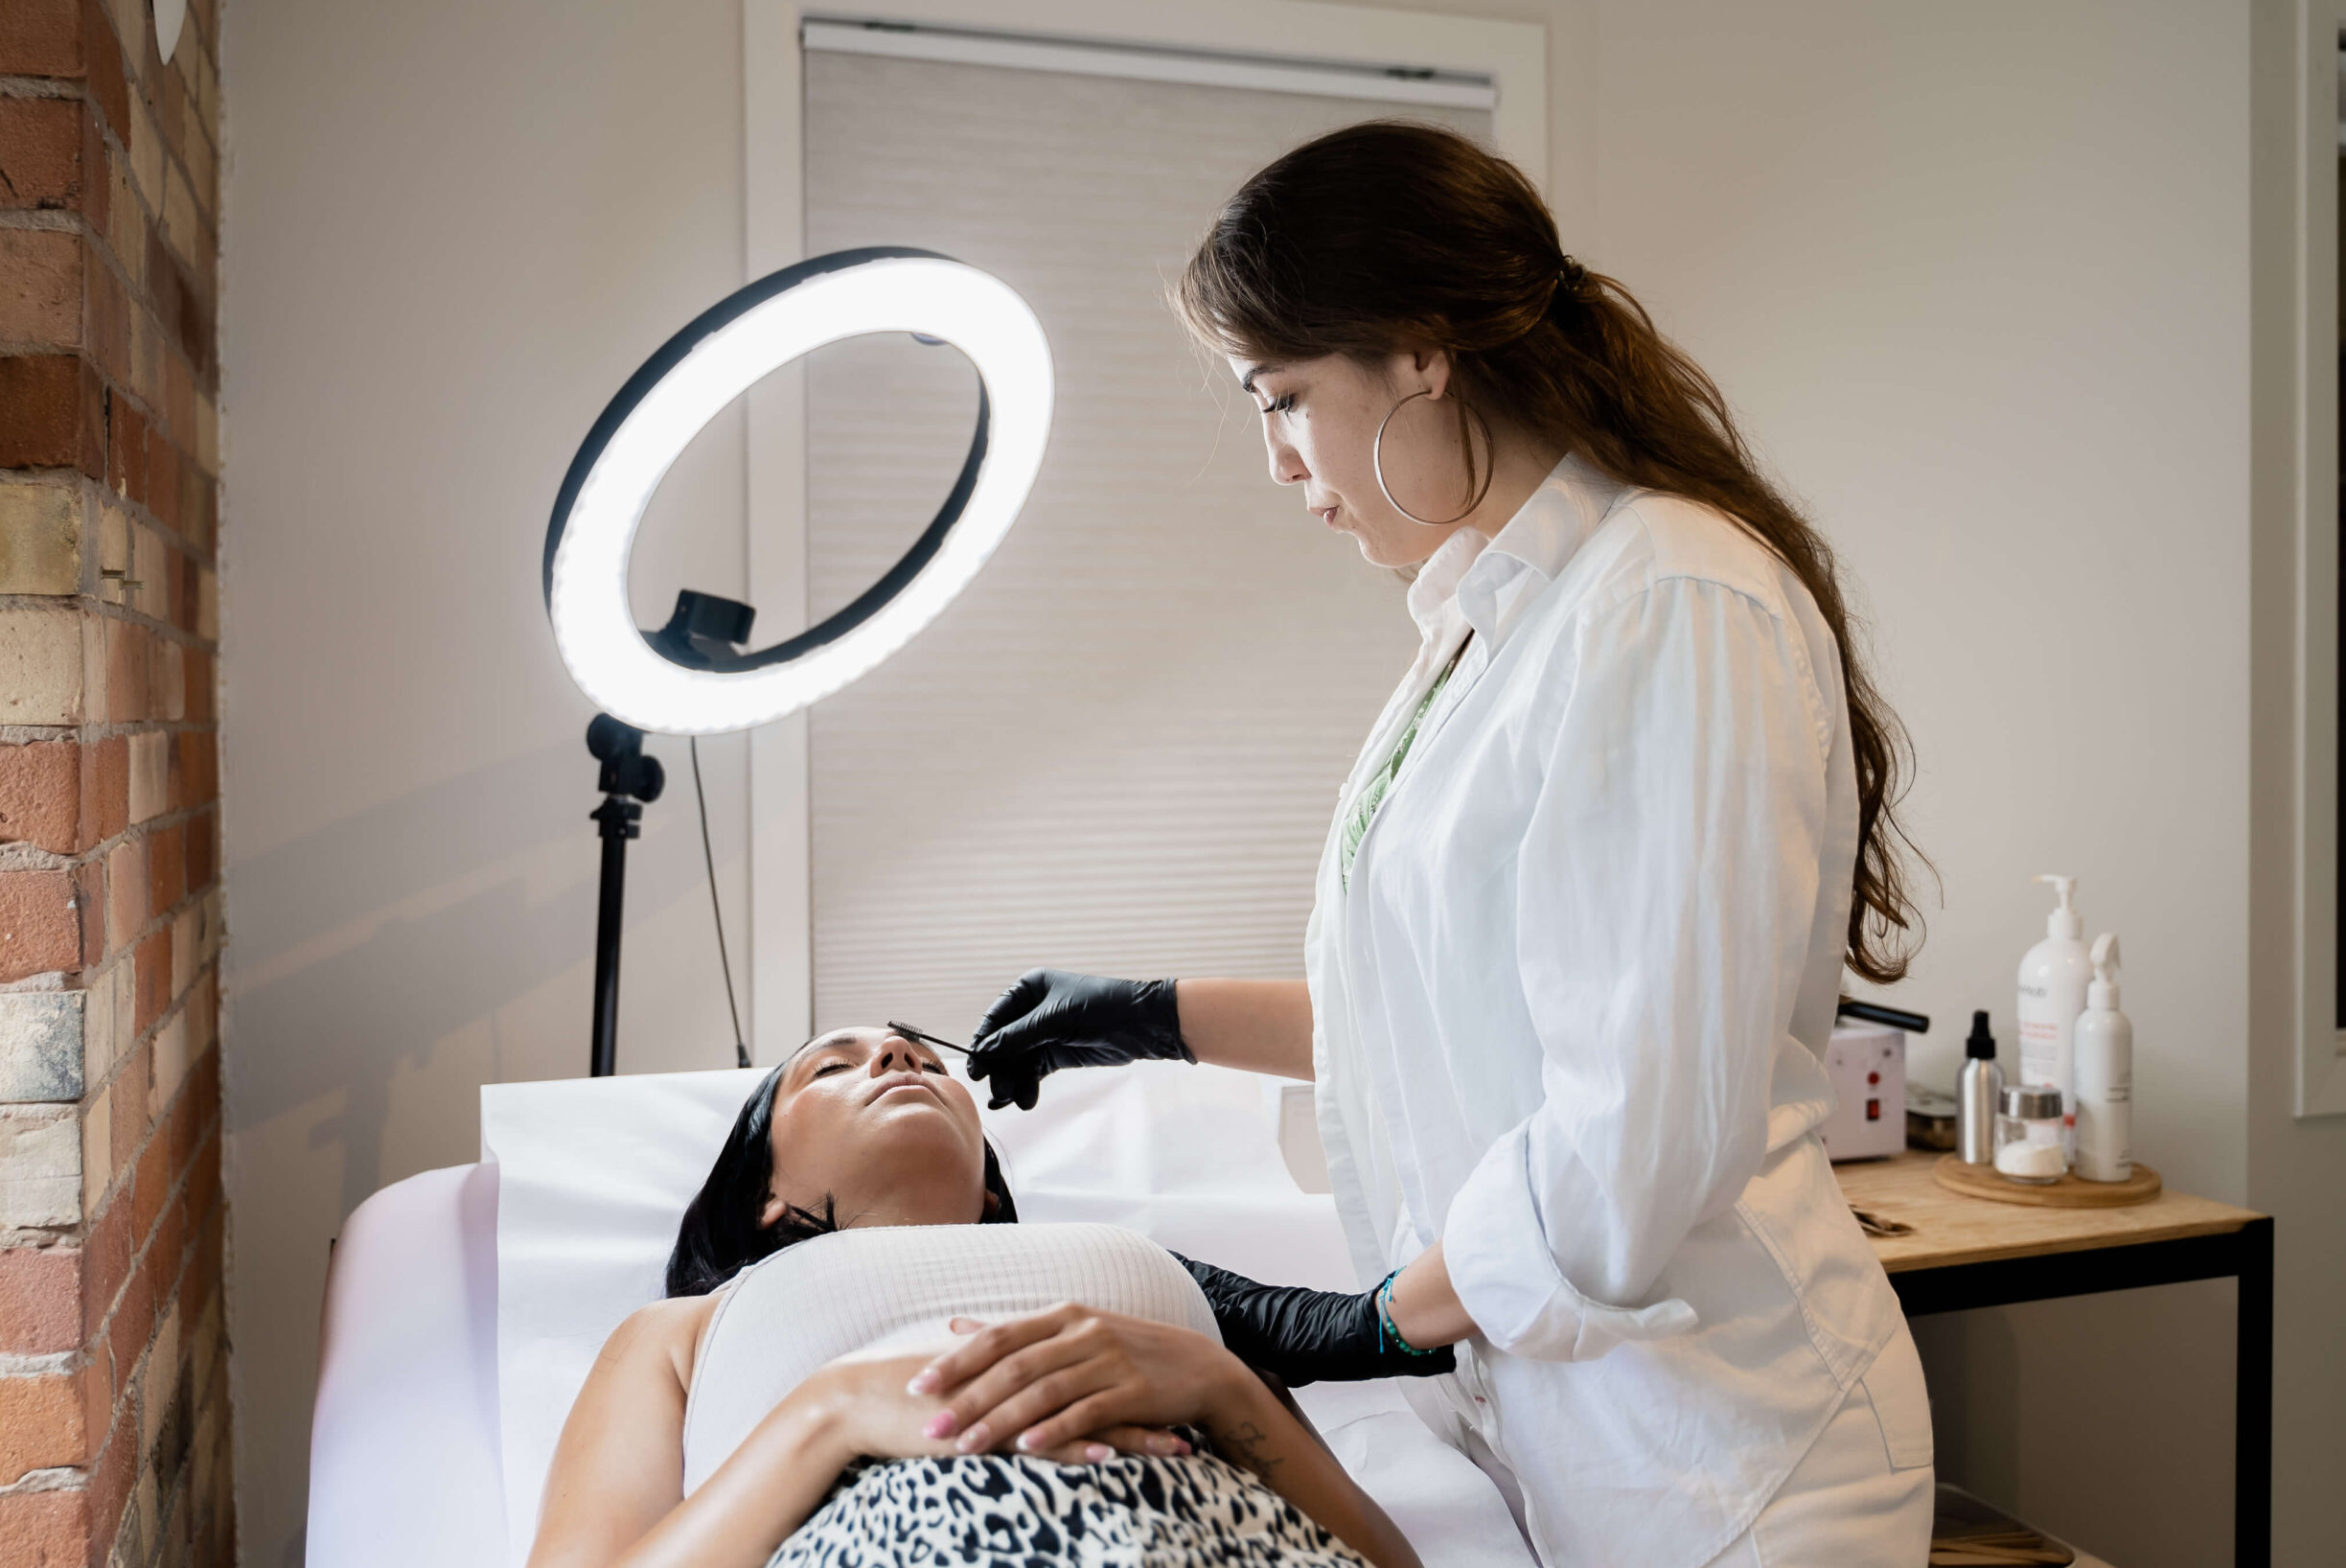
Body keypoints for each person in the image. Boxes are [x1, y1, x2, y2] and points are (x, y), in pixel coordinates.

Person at [957, 121, 1939, 1568]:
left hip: (1737, 1466)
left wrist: (1366, 1325)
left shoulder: (1668, 601)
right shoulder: (1491, 619)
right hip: (1585, 1443)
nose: (1280, 462)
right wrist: (1151, 1015)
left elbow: (1639, 1130)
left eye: (1281, 396)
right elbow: (1445, 1019)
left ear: (1419, 349)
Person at [526, 1024, 1425, 1568]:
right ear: (765, 1194)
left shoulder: (1138, 1268)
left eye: (916, 1055)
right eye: (829, 1069)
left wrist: (1221, 1385)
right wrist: (831, 1414)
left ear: (992, 1189)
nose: (894, 1052)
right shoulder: (684, 1329)